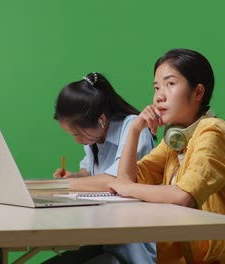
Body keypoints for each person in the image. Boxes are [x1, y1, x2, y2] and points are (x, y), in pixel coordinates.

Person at [109, 49, 225, 263]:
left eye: (170, 84)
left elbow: (183, 196)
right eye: (156, 87)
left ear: (197, 93)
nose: (159, 96)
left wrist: (127, 188)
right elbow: (127, 178)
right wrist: (134, 130)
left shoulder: (213, 131)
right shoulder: (177, 139)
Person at [45, 72, 156, 264]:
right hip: (104, 237)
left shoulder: (134, 129)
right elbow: (89, 172)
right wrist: (75, 176)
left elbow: (116, 182)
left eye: (78, 134)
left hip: (131, 244)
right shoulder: (94, 136)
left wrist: (64, 185)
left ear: (101, 119)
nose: (77, 140)